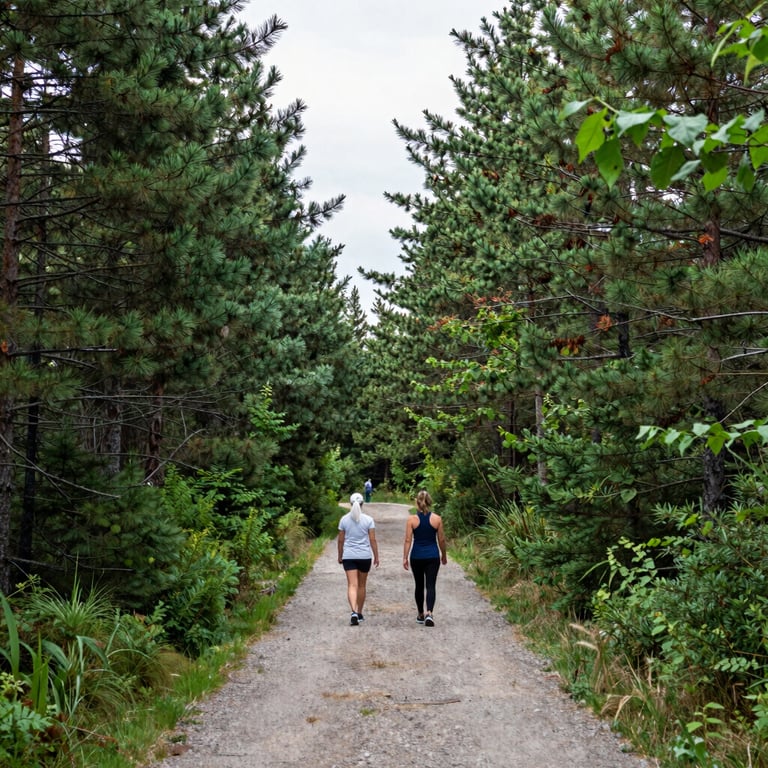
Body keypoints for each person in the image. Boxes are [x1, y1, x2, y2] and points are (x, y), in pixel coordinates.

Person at [402, 489, 447, 626]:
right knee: (431, 585)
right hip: (432, 556)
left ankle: (421, 614)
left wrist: (405, 557)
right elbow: (442, 540)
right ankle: (430, 613)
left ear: (417, 502)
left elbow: (408, 540)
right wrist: (443, 555)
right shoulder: (437, 519)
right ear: (429, 502)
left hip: (416, 556)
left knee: (419, 585)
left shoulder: (412, 520)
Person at [338, 492, 379, 625]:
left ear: (350, 504)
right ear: (362, 504)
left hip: (349, 556)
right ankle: (359, 613)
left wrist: (340, 555)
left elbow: (340, 540)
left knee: (352, 585)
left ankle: (353, 611)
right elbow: (372, 540)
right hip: (364, 556)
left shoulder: (344, 520)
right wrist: (376, 556)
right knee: (361, 585)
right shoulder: (368, 520)